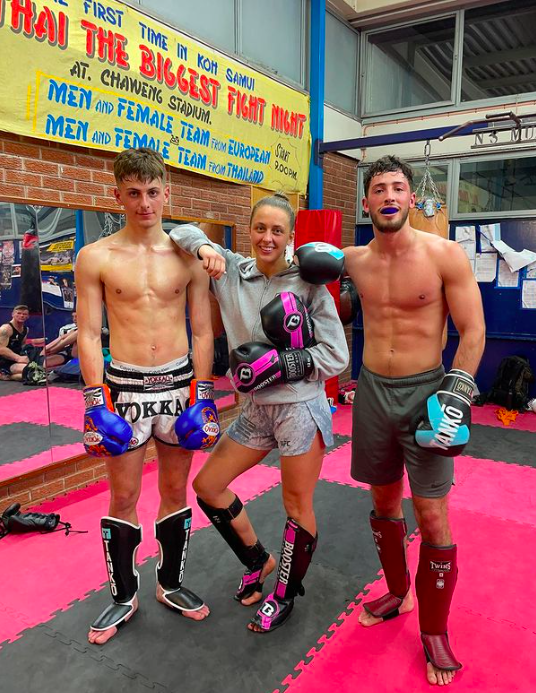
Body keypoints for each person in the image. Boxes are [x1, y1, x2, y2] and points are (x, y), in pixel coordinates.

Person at [170, 193, 349, 633]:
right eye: (260, 229)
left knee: (296, 504)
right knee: (208, 486)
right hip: (253, 410)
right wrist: (205, 247)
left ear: (290, 238)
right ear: (249, 231)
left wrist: (288, 362)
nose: (267, 238)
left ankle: (285, 595)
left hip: (299, 410)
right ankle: (259, 560)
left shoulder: (306, 284)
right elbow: (179, 230)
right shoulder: (231, 270)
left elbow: (337, 354)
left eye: (277, 231)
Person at [343, 155, 485, 686]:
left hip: (429, 391)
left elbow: (473, 332)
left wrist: (458, 395)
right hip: (373, 392)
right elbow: (296, 288)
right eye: (378, 188)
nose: (388, 196)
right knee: (382, 502)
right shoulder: (351, 260)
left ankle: (434, 630)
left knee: (431, 515)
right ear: (367, 203)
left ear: (411, 198)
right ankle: (398, 593)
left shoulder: (445, 255)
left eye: (397, 187)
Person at [75, 147, 219, 646]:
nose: (144, 203)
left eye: (153, 192)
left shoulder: (189, 257)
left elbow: (203, 331)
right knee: (124, 495)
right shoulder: (95, 257)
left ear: (167, 194)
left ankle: (170, 583)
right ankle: (123, 593)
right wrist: (95, 403)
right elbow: (89, 334)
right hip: (124, 390)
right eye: (133, 193)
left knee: (176, 492)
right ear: (117, 196)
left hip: (180, 388)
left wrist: (205, 394)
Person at [0, 305, 31, 381]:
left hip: (12, 361)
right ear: (13, 314)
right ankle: (3, 373)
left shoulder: (26, 329)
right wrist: (18, 358)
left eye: (24, 314)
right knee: (30, 370)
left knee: (33, 371)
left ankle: (7, 376)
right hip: (2, 361)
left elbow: (22, 345)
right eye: (19, 313)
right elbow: (1, 348)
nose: (21, 316)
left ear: (28, 316)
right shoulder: (6, 329)